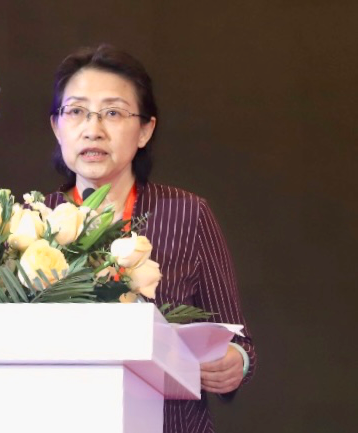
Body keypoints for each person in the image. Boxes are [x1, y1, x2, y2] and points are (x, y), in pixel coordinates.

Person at [45, 45, 256, 433]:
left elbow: (236, 338)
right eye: (76, 111)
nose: (93, 129)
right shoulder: (28, 224)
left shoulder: (187, 214)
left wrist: (235, 361)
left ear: (145, 130)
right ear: (58, 127)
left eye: (113, 113)